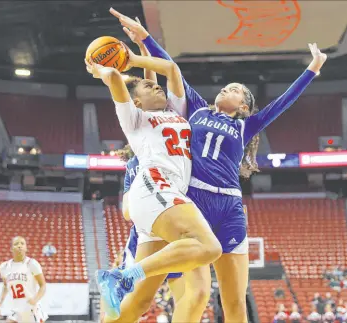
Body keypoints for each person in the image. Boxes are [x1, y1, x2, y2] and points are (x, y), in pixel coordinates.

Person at [109, 7, 327, 323]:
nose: (227, 88)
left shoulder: (247, 125)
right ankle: (126, 285)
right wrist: (144, 40)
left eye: (236, 89)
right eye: (227, 86)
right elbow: (174, 72)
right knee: (188, 294)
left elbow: (283, 103)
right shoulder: (195, 109)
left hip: (230, 206)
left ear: (244, 106)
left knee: (234, 302)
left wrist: (313, 70)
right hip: (193, 201)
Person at [85, 33, 222, 320]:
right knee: (209, 247)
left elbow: (171, 70)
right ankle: (121, 276)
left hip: (162, 199)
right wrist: (103, 69)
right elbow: (113, 79)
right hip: (155, 188)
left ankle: (125, 281)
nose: (156, 88)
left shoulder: (174, 111)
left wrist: (140, 48)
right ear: (136, 100)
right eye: (148, 86)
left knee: (138, 302)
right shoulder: (134, 118)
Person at [116, 143, 211, 322]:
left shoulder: (184, 157)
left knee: (194, 297)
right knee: (136, 303)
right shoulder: (137, 163)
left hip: (180, 234)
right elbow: (128, 212)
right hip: (151, 232)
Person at [0, 236, 48, 323]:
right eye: (16, 244)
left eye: (22, 244)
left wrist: (35, 299)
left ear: (26, 248)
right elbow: (5, 285)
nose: (19, 246)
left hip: (31, 309)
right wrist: (0, 301)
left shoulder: (32, 264)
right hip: (16, 309)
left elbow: (43, 285)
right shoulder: (4, 267)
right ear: (11, 249)